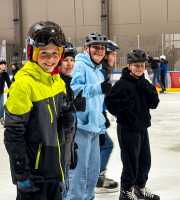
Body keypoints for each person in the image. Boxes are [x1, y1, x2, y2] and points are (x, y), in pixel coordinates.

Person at [4, 21, 72, 200]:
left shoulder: (57, 81)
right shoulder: (23, 84)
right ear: (32, 53)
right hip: (35, 176)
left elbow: (58, 126)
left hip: (55, 171)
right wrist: (21, 172)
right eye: (44, 54)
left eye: (54, 54)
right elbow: (13, 133)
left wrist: (70, 150)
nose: (50, 60)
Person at [105, 49, 160, 200]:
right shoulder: (122, 84)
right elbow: (110, 104)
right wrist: (125, 106)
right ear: (129, 66)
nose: (139, 68)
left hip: (142, 127)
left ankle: (140, 188)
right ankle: (126, 191)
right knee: (131, 162)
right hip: (127, 129)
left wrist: (145, 88)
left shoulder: (144, 82)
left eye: (142, 65)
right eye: (136, 65)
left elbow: (154, 103)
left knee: (145, 161)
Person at [66, 32, 111, 200]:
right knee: (78, 174)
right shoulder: (80, 65)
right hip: (80, 127)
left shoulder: (99, 71)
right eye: (96, 47)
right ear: (87, 49)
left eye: (102, 48)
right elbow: (75, 89)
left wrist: (101, 121)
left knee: (92, 173)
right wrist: (98, 88)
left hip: (94, 128)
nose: (100, 51)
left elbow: (97, 103)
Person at [60, 42, 86, 198]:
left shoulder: (72, 81)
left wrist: (72, 148)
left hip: (68, 142)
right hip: (57, 146)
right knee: (62, 183)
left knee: (67, 180)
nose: (69, 64)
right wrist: (71, 107)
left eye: (72, 60)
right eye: (65, 60)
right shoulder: (58, 82)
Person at [96, 40, 119, 193]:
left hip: (98, 114)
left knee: (100, 146)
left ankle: (96, 176)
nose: (115, 57)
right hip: (95, 116)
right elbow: (97, 95)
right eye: (113, 54)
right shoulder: (102, 71)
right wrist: (101, 114)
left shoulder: (105, 70)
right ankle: (98, 179)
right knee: (106, 145)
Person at [0, 60, 11, 124]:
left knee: (1, 106)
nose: (3, 66)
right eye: (2, 65)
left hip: (0, 92)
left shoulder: (5, 74)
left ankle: (1, 118)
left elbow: (9, 83)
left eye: (4, 65)